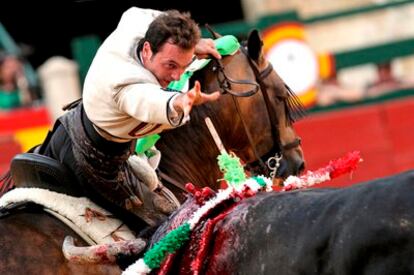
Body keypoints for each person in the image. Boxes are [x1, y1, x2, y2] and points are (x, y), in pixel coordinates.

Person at [36, 7, 221, 228]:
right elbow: (149, 101)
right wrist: (179, 102)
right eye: (171, 65)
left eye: (184, 65)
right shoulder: (123, 82)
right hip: (88, 162)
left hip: (79, 132)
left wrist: (194, 45)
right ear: (146, 50)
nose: (177, 76)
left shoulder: (137, 26)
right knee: (162, 231)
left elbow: (137, 13)